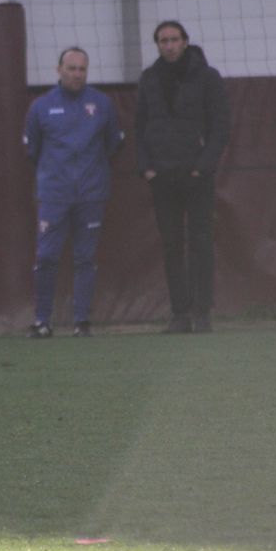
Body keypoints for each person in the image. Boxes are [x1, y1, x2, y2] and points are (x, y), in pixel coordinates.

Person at [135, 21, 230, 333]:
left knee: (201, 242)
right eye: (163, 40)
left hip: (196, 174)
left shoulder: (207, 77)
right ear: (157, 45)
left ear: (186, 42)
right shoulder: (149, 79)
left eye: (174, 39)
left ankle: (202, 313)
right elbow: (139, 127)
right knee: (172, 244)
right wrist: (147, 167)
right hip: (162, 175)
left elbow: (220, 128)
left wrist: (202, 165)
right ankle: (180, 314)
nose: (169, 45)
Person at [24, 47, 124, 338]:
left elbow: (112, 144)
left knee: (85, 258)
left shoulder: (101, 104)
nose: (77, 74)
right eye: (71, 68)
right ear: (59, 70)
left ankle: (82, 322)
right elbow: (33, 150)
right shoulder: (41, 107)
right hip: (54, 195)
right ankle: (42, 321)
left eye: (82, 69)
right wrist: (57, 175)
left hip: (92, 194)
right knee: (46, 257)